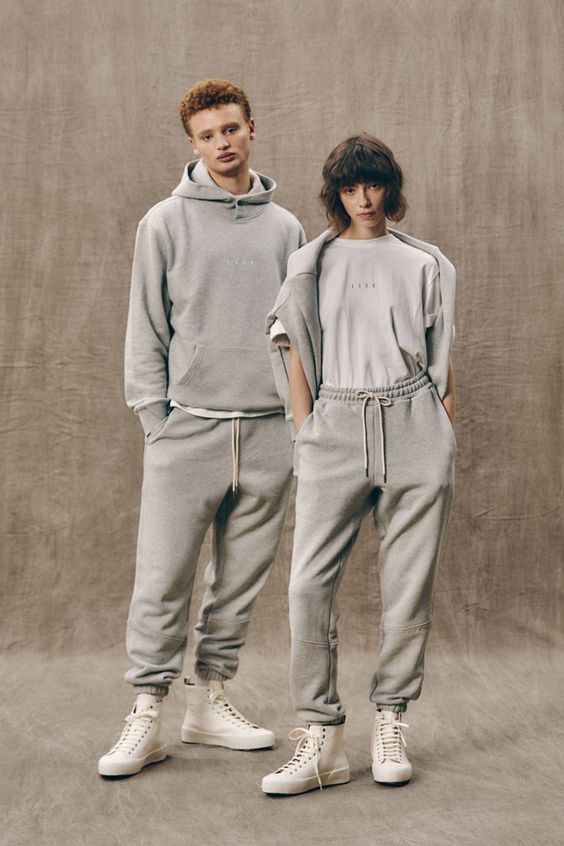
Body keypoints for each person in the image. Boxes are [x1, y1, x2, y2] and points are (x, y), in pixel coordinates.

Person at [98, 78, 305, 777]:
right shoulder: (164, 223)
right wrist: (155, 418)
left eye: (232, 129)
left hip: (270, 433)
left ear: (252, 129)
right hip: (188, 431)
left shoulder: (286, 228)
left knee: (240, 580)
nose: (223, 143)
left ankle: (208, 699)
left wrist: (297, 422)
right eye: (208, 135)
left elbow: (297, 332)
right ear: (193, 144)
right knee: (162, 578)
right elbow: (146, 325)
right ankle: (147, 711)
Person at [262, 133, 457, 795]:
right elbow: (293, 351)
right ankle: (320, 735)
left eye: (373, 185)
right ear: (336, 194)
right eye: (351, 187)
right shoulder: (309, 264)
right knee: (307, 585)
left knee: (408, 585)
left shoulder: (426, 263)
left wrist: (442, 433)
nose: (364, 199)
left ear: (389, 188)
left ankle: (391, 716)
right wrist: (307, 431)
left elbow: (442, 357)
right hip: (336, 423)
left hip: (414, 421)